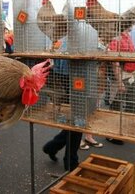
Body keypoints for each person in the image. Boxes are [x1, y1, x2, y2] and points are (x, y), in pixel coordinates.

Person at [42, 37, 83, 171]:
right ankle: (71, 162)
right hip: (72, 81)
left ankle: (51, 147)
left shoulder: (62, 40)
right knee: (77, 123)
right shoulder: (73, 40)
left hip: (66, 81)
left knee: (74, 123)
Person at [106, 23, 135, 144]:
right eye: (132, 22)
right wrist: (119, 82)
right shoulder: (116, 37)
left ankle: (123, 128)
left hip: (132, 75)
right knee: (116, 105)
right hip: (122, 76)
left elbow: (132, 54)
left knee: (133, 102)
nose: (134, 25)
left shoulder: (128, 36)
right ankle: (110, 133)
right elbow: (114, 61)